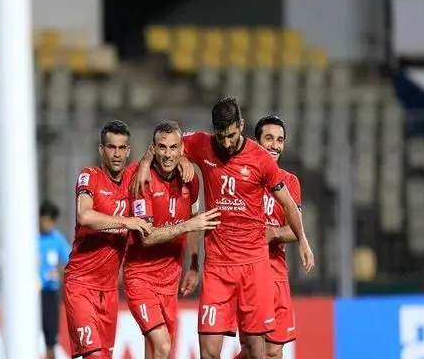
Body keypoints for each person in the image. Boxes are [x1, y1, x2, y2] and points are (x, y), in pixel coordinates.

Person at [131, 97, 314, 359]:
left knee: (257, 351)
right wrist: (146, 164)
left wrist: (303, 240)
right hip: (217, 266)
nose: (226, 143)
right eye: (221, 136)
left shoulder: (260, 159)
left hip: (253, 266)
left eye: (231, 136)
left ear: (241, 125)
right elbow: (165, 144)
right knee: (208, 350)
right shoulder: (202, 144)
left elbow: (287, 203)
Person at [123, 121, 221, 359]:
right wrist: (188, 225)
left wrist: (194, 265)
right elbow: (146, 238)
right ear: (153, 149)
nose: (168, 154)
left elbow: (195, 219)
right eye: (162, 147)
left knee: (156, 351)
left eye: (173, 147)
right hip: (140, 278)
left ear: (182, 149)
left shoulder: (191, 180)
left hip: (170, 281)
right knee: (163, 346)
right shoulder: (142, 180)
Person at [63, 120, 152, 358]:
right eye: (112, 147)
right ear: (101, 149)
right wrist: (125, 221)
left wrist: (153, 162)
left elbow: (161, 145)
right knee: (93, 355)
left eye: (122, 148)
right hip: (81, 285)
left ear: (128, 150)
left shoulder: (132, 178)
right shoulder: (90, 176)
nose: (117, 154)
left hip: (109, 291)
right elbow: (84, 216)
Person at [236, 116, 302, 359]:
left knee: (274, 350)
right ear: (256, 142)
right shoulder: (242, 177)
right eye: (269, 138)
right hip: (249, 273)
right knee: (253, 350)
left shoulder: (290, 182)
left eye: (280, 140)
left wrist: (271, 233)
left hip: (277, 273)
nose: (275, 145)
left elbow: (295, 229)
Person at [38, 200, 71, 359]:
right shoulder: (28, 237)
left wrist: (58, 271)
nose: (48, 225)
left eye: (52, 221)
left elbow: (70, 261)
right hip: (31, 295)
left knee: (50, 339)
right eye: (46, 220)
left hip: (49, 293)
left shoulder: (56, 238)